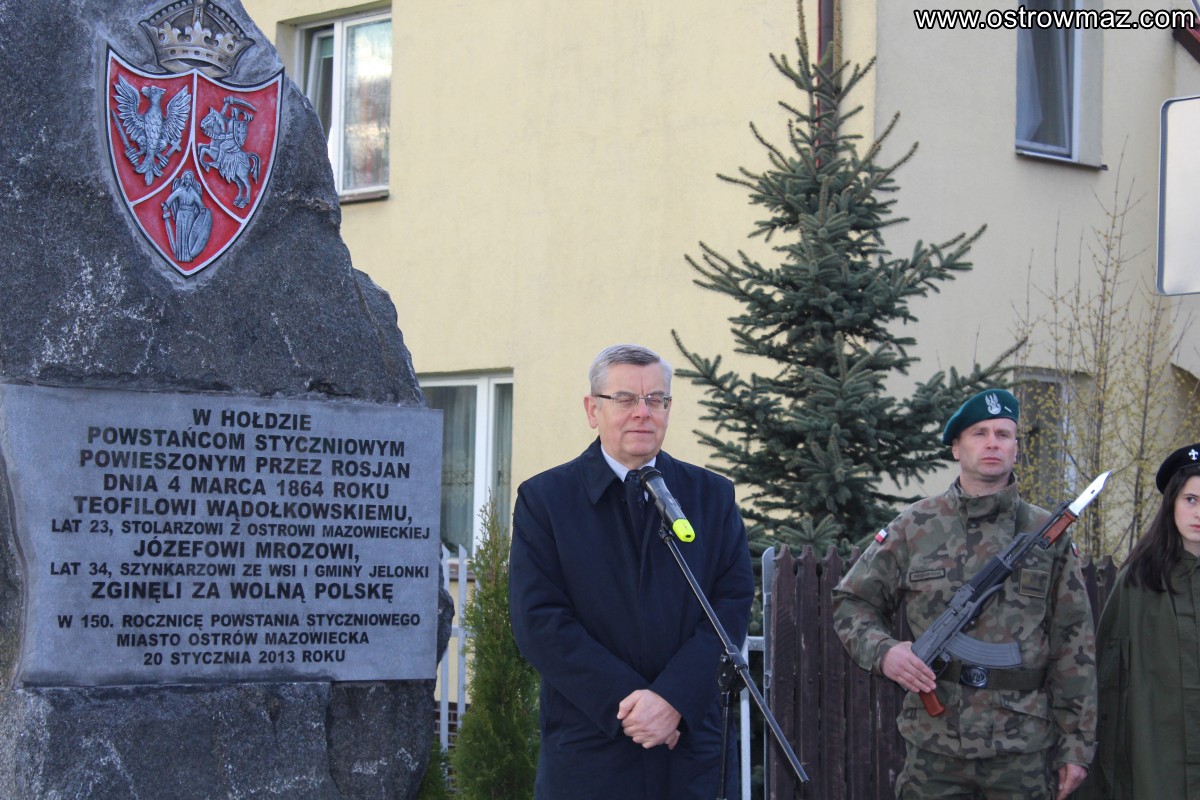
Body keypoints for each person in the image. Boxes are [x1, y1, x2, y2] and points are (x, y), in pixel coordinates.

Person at [509, 343, 754, 799]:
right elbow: (539, 620)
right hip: (591, 746)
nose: (642, 412)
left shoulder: (711, 497)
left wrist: (674, 699)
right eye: (624, 399)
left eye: (655, 399)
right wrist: (632, 706)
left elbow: (731, 605)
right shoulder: (546, 500)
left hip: (690, 748)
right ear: (592, 410)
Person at [832, 388, 1097, 799]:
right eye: (979, 433)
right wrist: (885, 652)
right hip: (934, 744)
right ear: (956, 447)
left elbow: (1074, 642)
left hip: (1022, 747)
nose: (992, 443)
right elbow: (852, 602)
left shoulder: (1046, 535)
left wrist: (1076, 745)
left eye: (1003, 434)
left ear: (1015, 449)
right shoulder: (915, 525)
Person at [1084, 442, 1200, 798]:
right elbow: (1106, 681)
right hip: (1156, 762)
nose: (1199, 512)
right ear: (1172, 503)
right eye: (1191, 499)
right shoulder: (1138, 581)